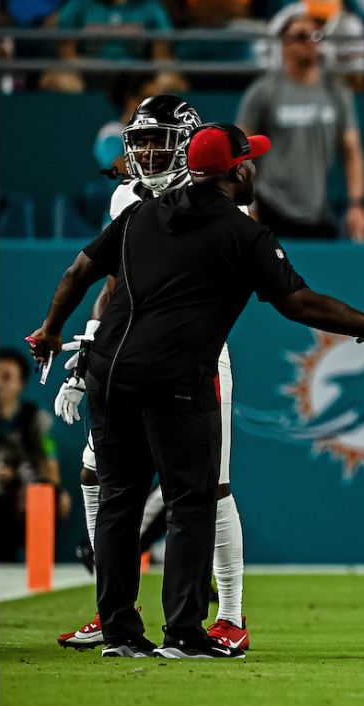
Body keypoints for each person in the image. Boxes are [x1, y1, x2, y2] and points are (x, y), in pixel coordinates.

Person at [26, 123, 364, 659]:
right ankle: (183, 634)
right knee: (191, 502)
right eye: (252, 163)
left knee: (119, 503)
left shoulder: (138, 214)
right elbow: (300, 304)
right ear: (238, 171)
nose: (255, 172)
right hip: (175, 379)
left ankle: (121, 632)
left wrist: (53, 328)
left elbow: (78, 271)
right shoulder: (242, 234)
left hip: (109, 373)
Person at [56, 96, 254, 653]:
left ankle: (231, 616)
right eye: (139, 140)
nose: (146, 150)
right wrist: (94, 344)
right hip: (126, 359)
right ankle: (114, 609)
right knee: (100, 476)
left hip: (194, 359)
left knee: (209, 488)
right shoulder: (126, 196)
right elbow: (112, 283)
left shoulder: (219, 198)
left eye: (159, 139)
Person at [236, 10, 364, 240]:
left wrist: (356, 204)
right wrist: (248, 204)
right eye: (302, 36)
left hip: (320, 210)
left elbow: (351, 150)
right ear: (284, 45)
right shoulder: (265, 91)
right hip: (272, 207)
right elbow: (239, 150)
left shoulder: (337, 93)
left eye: (316, 36)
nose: (311, 41)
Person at [0, 348, 71, 562]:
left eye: (7, 377)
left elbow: (50, 466)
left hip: (21, 493)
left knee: (50, 496)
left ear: (20, 384)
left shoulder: (36, 419)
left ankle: (39, 566)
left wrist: (52, 492)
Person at [43, 0, 181, 93]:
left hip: (136, 75)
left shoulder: (151, 7)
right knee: (64, 80)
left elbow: (161, 56)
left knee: (168, 80)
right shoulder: (79, 5)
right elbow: (67, 54)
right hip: (88, 72)